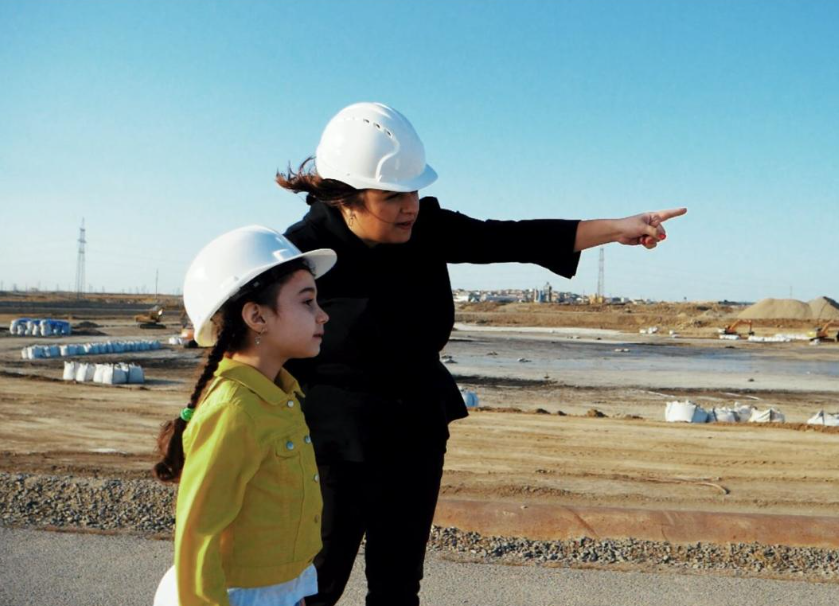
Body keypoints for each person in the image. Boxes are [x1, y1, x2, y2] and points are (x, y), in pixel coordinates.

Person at [277, 102, 686, 606]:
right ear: (345, 197)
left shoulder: (423, 228)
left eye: (414, 190)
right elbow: (254, 350)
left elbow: (510, 236)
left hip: (415, 430)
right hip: (331, 445)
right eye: (392, 195)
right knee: (315, 585)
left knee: (399, 586)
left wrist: (620, 226)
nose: (410, 205)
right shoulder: (299, 254)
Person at [151, 225, 337, 606]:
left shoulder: (280, 395)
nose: (323, 316)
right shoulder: (234, 410)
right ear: (257, 317)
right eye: (307, 302)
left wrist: (295, 592)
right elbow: (197, 535)